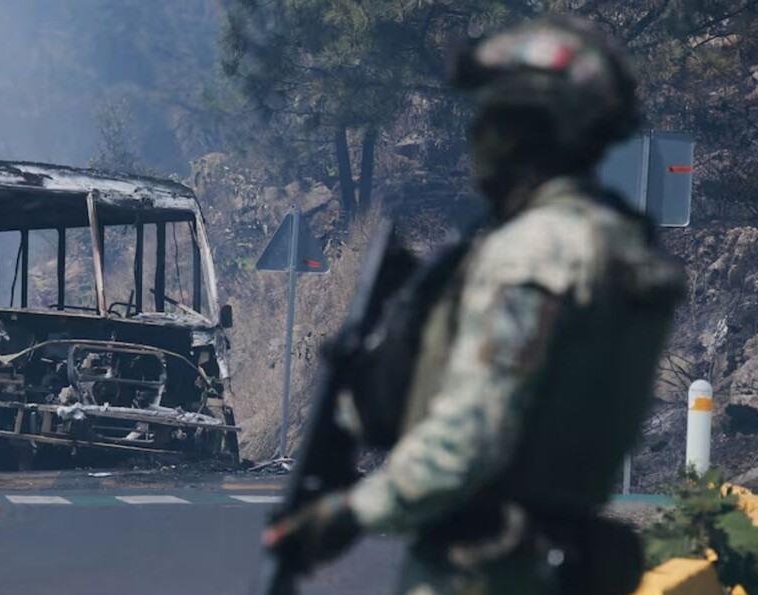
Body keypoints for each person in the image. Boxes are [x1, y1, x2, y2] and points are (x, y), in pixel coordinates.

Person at [263, 16, 685, 594]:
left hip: (487, 571)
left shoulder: (533, 253)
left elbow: (472, 436)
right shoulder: (624, 247)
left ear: (526, 130)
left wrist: (349, 513)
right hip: (575, 564)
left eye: (492, 119)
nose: (479, 139)